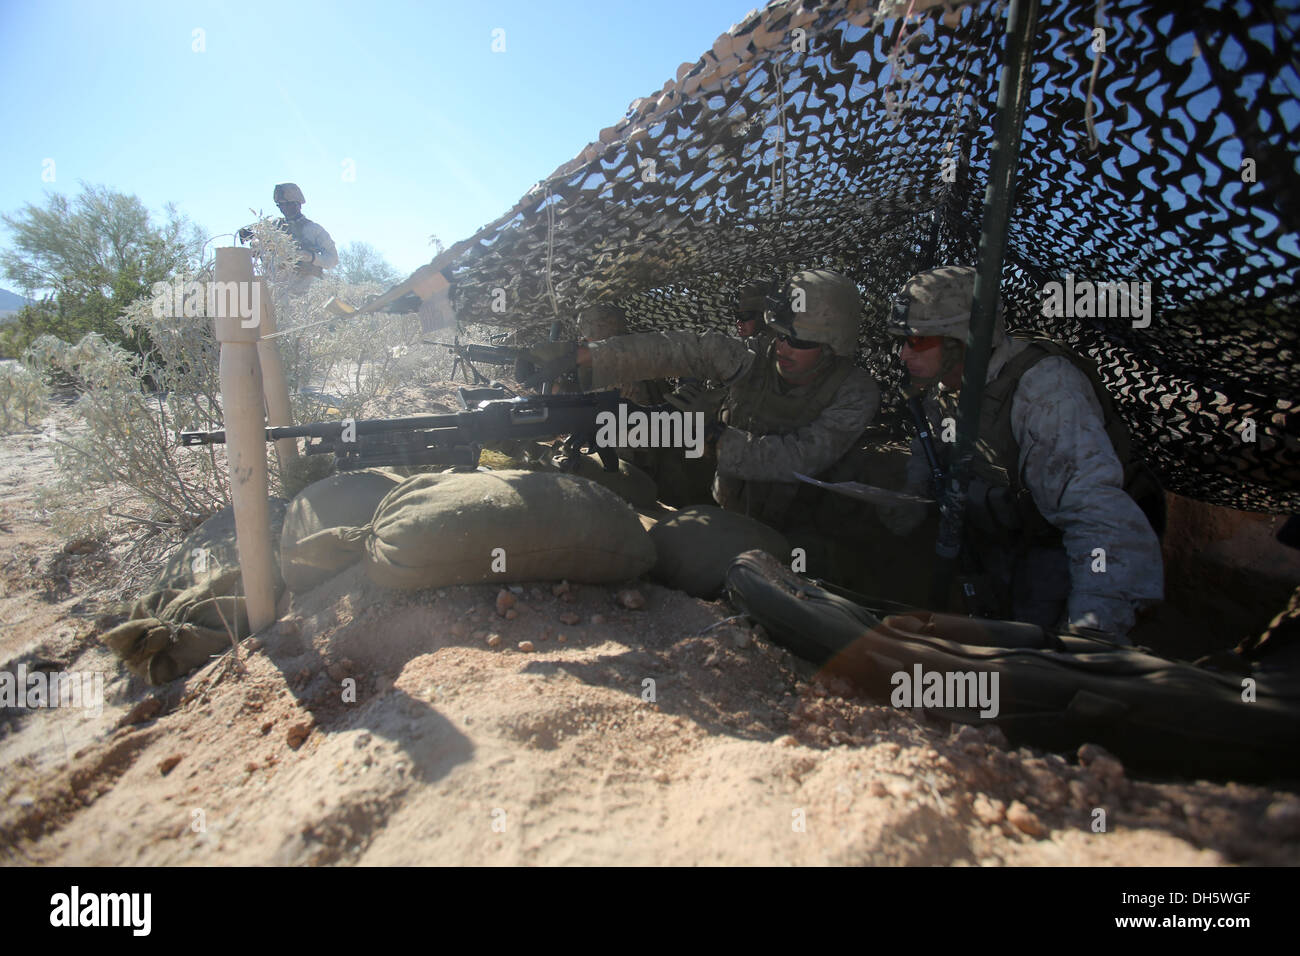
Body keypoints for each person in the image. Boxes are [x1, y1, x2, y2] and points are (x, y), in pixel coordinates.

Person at [879, 264, 1164, 641]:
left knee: (1034, 638)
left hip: (1060, 542)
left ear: (959, 340)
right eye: (902, 341)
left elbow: (1097, 517)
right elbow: (931, 448)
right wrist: (909, 502)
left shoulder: (1045, 389)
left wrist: (1092, 634)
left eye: (916, 341)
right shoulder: (945, 384)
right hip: (1002, 531)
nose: (902, 354)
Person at [518, 270, 880, 537]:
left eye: (798, 342)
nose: (782, 347)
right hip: (727, 507)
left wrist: (713, 437)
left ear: (834, 346)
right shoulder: (755, 357)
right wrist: (586, 356)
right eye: (780, 335)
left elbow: (799, 458)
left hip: (803, 533)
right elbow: (680, 349)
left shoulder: (853, 392)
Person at [269, 183, 338, 295]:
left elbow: (333, 259)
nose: (284, 208)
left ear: (298, 204)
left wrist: (311, 257)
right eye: (280, 204)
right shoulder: (273, 227)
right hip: (277, 291)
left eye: (288, 204)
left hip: (304, 292)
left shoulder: (314, 230)